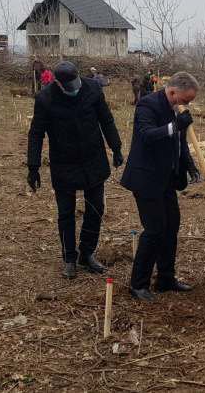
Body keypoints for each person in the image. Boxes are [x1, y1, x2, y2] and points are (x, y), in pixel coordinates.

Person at [27, 61, 124, 279]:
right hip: (64, 162)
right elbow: (36, 134)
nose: (75, 88)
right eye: (69, 86)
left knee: (96, 207)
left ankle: (87, 253)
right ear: (58, 83)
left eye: (76, 83)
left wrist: (116, 147)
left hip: (93, 159)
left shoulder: (93, 89)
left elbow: (106, 120)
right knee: (66, 213)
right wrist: (33, 167)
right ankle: (69, 258)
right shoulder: (45, 99)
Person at [121, 72, 202, 302]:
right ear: (173, 92)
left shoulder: (178, 110)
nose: (187, 105)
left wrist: (190, 167)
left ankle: (165, 278)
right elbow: (147, 136)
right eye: (186, 100)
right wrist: (175, 126)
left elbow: (179, 143)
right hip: (146, 179)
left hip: (167, 178)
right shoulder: (148, 105)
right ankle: (138, 284)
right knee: (155, 229)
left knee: (171, 226)